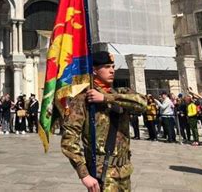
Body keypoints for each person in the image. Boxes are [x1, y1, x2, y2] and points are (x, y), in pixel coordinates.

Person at [61, 51, 147, 192]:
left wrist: (106, 98)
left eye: (113, 66)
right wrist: (84, 174)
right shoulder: (83, 98)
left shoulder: (120, 93)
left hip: (124, 171)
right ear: (94, 70)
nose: (112, 70)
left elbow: (143, 104)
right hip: (102, 173)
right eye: (107, 67)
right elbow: (69, 138)